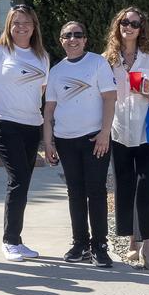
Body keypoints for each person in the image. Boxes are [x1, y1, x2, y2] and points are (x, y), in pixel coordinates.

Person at [0, 4, 49, 262]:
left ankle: (17, 240)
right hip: (3, 123)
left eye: (26, 22)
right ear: (9, 25)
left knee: (24, 182)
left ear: (34, 26)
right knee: (18, 178)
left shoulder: (41, 56)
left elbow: (40, 90)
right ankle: (9, 241)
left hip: (31, 125)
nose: (21, 27)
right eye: (16, 22)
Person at [42, 20, 116, 268]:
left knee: (96, 191)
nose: (72, 39)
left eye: (77, 35)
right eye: (67, 35)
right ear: (60, 40)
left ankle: (100, 246)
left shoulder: (98, 63)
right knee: (75, 193)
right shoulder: (56, 71)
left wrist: (105, 132)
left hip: (95, 139)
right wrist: (48, 142)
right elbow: (49, 109)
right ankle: (80, 243)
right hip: (65, 141)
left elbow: (109, 99)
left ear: (85, 39)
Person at [105, 6, 149, 270]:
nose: (128, 26)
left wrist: (148, 93)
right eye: (124, 22)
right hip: (118, 131)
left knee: (146, 188)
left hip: (147, 133)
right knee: (125, 186)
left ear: (142, 28)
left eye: (134, 23)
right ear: (118, 26)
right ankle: (133, 243)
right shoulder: (108, 59)